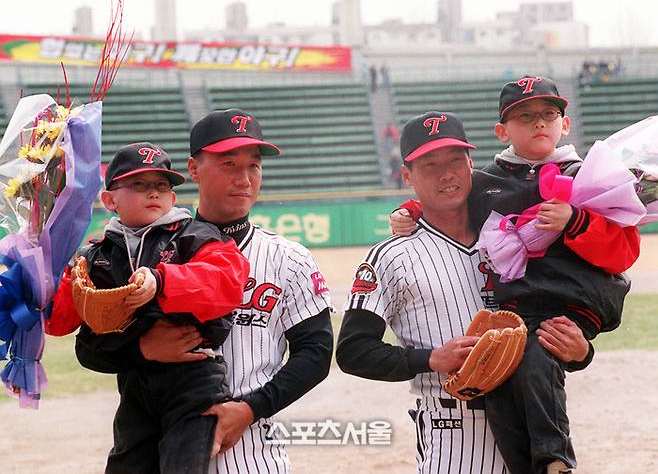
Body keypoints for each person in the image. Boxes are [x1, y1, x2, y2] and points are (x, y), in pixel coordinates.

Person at [389, 77, 641, 474]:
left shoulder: (589, 176)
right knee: (496, 379)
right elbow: (448, 204)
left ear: (565, 123)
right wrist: (410, 211)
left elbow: (624, 252)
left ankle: (555, 459)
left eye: (548, 114)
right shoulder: (487, 181)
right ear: (502, 131)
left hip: (572, 302)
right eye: (525, 117)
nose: (539, 123)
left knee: (538, 358)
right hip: (516, 308)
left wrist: (575, 221)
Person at [72, 110, 334, 473]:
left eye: (253, 166)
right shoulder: (134, 254)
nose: (243, 179)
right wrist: (142, 349)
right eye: (228, 163)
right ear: (194, 170)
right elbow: (88, 348)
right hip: (158, 452)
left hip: (256, 453)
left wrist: (250, 408)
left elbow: (316, 354)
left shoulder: (290, 258)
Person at [336, 111, 595, 474]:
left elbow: (554, 323)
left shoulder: (518, 238)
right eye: (430, 165)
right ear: (407, 175)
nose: (446, 174)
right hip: (453, 442)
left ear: (472, 165)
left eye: (456, 161)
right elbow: (353, 352)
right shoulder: (392, 256)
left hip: (531, 438)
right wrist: (430, 359)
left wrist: (581, 352)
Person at [46, 142, 250, 474]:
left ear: (173, 197)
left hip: (194, 388)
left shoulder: (196, 236)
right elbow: (58, 321)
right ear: (110, 200)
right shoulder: (93, 256)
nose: (153, 193)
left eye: (161, 185)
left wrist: (162, 282)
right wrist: (35, 279)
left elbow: (228, 282)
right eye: (139, 185)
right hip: (135, 387)